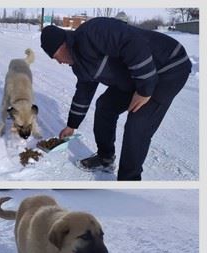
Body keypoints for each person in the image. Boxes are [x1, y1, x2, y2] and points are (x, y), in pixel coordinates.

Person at [40, 18, 191, 181]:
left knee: (137, 125)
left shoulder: (93, 32)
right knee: (105, 106)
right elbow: (83, 93)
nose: (60, 62)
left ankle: (129, 182)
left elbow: (134, 43)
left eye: (56, 57)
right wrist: (72, 125)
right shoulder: (79, 65)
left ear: (62, 45)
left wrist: (144, 90)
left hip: (168, 66)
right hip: (137, 77)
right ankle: (105, 158)